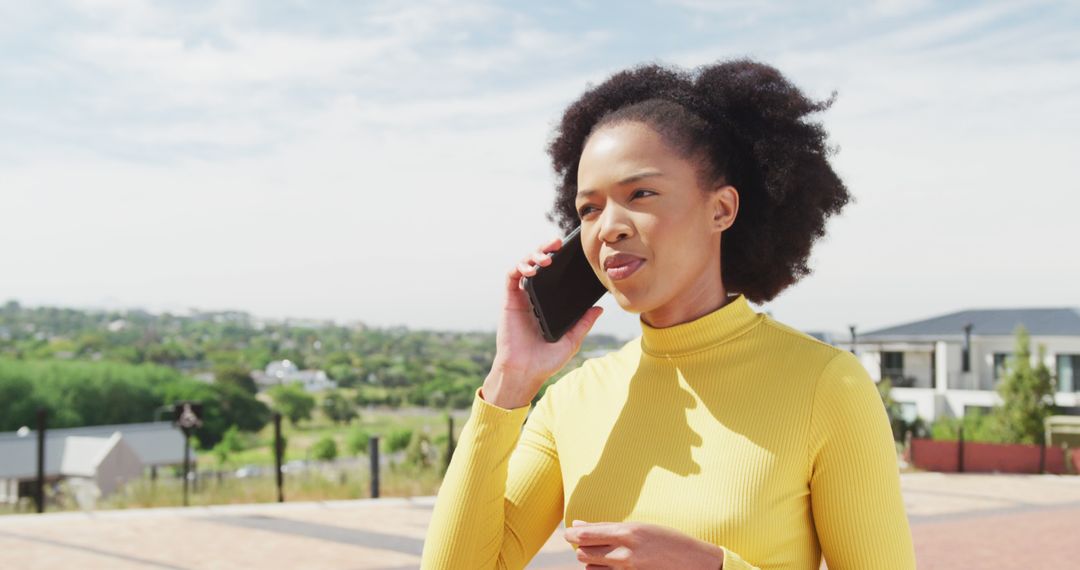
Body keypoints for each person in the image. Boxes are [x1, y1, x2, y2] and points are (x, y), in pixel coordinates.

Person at [420, 59, 915, 569]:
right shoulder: (571, 401)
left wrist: (714, 567)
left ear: (721, 209)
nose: (608, 226)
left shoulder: (827, 386)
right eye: (589, 208)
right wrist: (511, 379)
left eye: (641, 194)